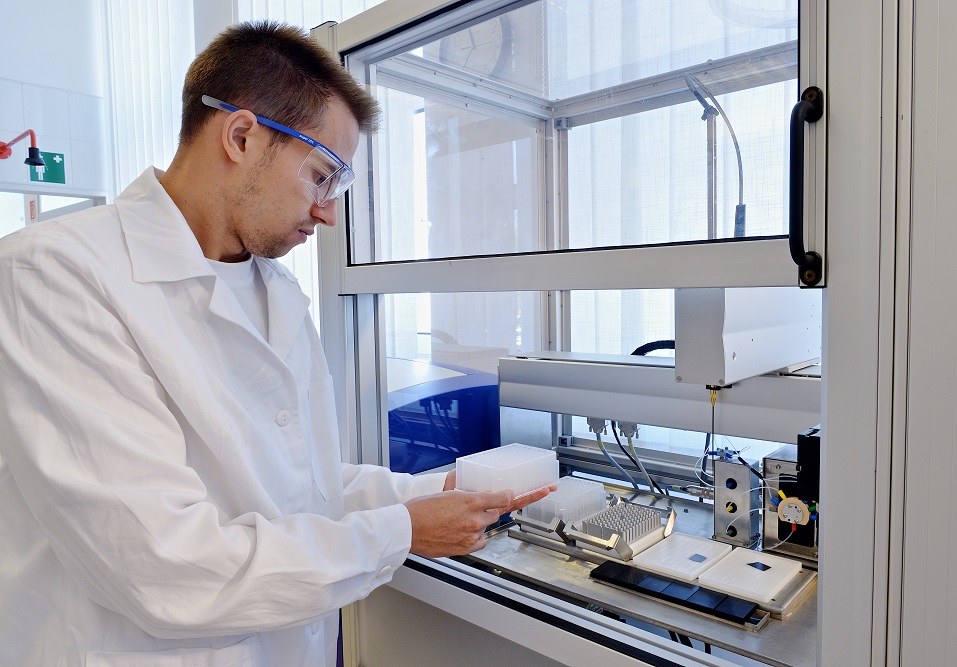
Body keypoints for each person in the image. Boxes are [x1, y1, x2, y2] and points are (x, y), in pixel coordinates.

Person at [0, 21, 552, 667]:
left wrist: (423, 493)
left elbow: (300, 488)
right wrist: (401, 530)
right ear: (241, 136)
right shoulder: (56, 274)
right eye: (321, 176)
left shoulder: (276, 287)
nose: (328, 212)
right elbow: (163, 564)